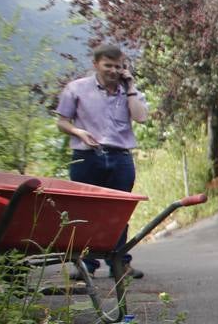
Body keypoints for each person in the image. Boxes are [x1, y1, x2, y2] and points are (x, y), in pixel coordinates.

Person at [55, 42, 149, 279]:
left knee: (120, 212)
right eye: (108, 65)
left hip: (120, 157)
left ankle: (119, 263)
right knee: (87, 212)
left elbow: (140, 117)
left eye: (118, 66)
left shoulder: (129, 91)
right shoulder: (76, 89)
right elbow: (62, 121)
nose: (113, 70)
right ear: (96, 64)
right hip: (87, 155)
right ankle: (87, 265)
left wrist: (130, 87)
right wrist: (79, 133)